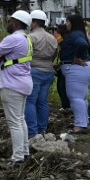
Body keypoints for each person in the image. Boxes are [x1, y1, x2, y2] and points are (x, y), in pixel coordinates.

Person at [0, 10, 33, 170]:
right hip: (24, 83)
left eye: (10, 21)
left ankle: (17, 158)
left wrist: (1, 57)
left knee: (14, 122)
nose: (8, 23)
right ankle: (25, 152)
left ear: (17, 23)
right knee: (20, 119)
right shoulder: (26, 39)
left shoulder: (12, 38)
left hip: (12, 84)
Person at [59, 14, 90, 134]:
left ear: (72, 23)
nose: (66, 24)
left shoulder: (75, 34)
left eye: (68, 22)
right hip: (84, 68)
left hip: (77, 68)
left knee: (75, 97)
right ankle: (84, 122)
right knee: (82, 97)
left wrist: (76, 58)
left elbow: (82, 45)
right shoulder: (80, 33)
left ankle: (79, 125)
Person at [24, 10, 58, 139]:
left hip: (34, 71)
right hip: (48, 71)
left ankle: (32, 132)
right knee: (43, 102)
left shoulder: (31, 37)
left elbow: (24, 53)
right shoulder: (52, 38)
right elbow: (54, 55)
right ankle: (42, 129)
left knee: (30, 102)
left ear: (34, 22)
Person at [54, 23, 71, 112]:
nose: (57, 30)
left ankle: (67, 105)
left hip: (68, 65)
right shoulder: (60, 39)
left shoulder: (69, 40)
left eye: (59, 28)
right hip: (61, 64)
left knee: (63, 86)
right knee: (59, 87)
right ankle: (65, 105)